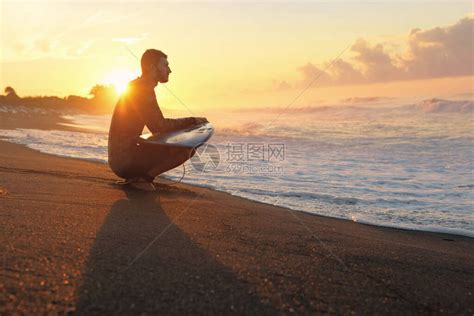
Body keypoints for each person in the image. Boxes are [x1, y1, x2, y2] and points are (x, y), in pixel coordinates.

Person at [108, 49, 207, 184]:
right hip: (124, 160)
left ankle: (138, 178)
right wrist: (192, 121)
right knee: (187, 150)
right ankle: (143, 180)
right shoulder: (142, 89)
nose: (169, 70)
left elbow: (156, 125)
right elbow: (159, 126)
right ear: (151, 67)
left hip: (119, 158)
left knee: (179, 146)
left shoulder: (137, 86)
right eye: (165, 65)